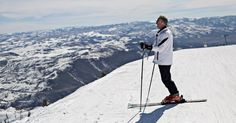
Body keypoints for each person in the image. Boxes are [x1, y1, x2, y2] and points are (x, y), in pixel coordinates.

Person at [140, 15, 182, 103]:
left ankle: (175, 95)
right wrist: (148, 46)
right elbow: (157, 46)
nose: (156, 23)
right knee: (166, 79)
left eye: (158, 22)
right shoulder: (162, 33)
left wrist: (148, 47)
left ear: (163, 23)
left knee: (166, 79)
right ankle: (174, 94)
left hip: (165, 60)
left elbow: (160, 48)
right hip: (162, 59)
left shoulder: (166, 34)